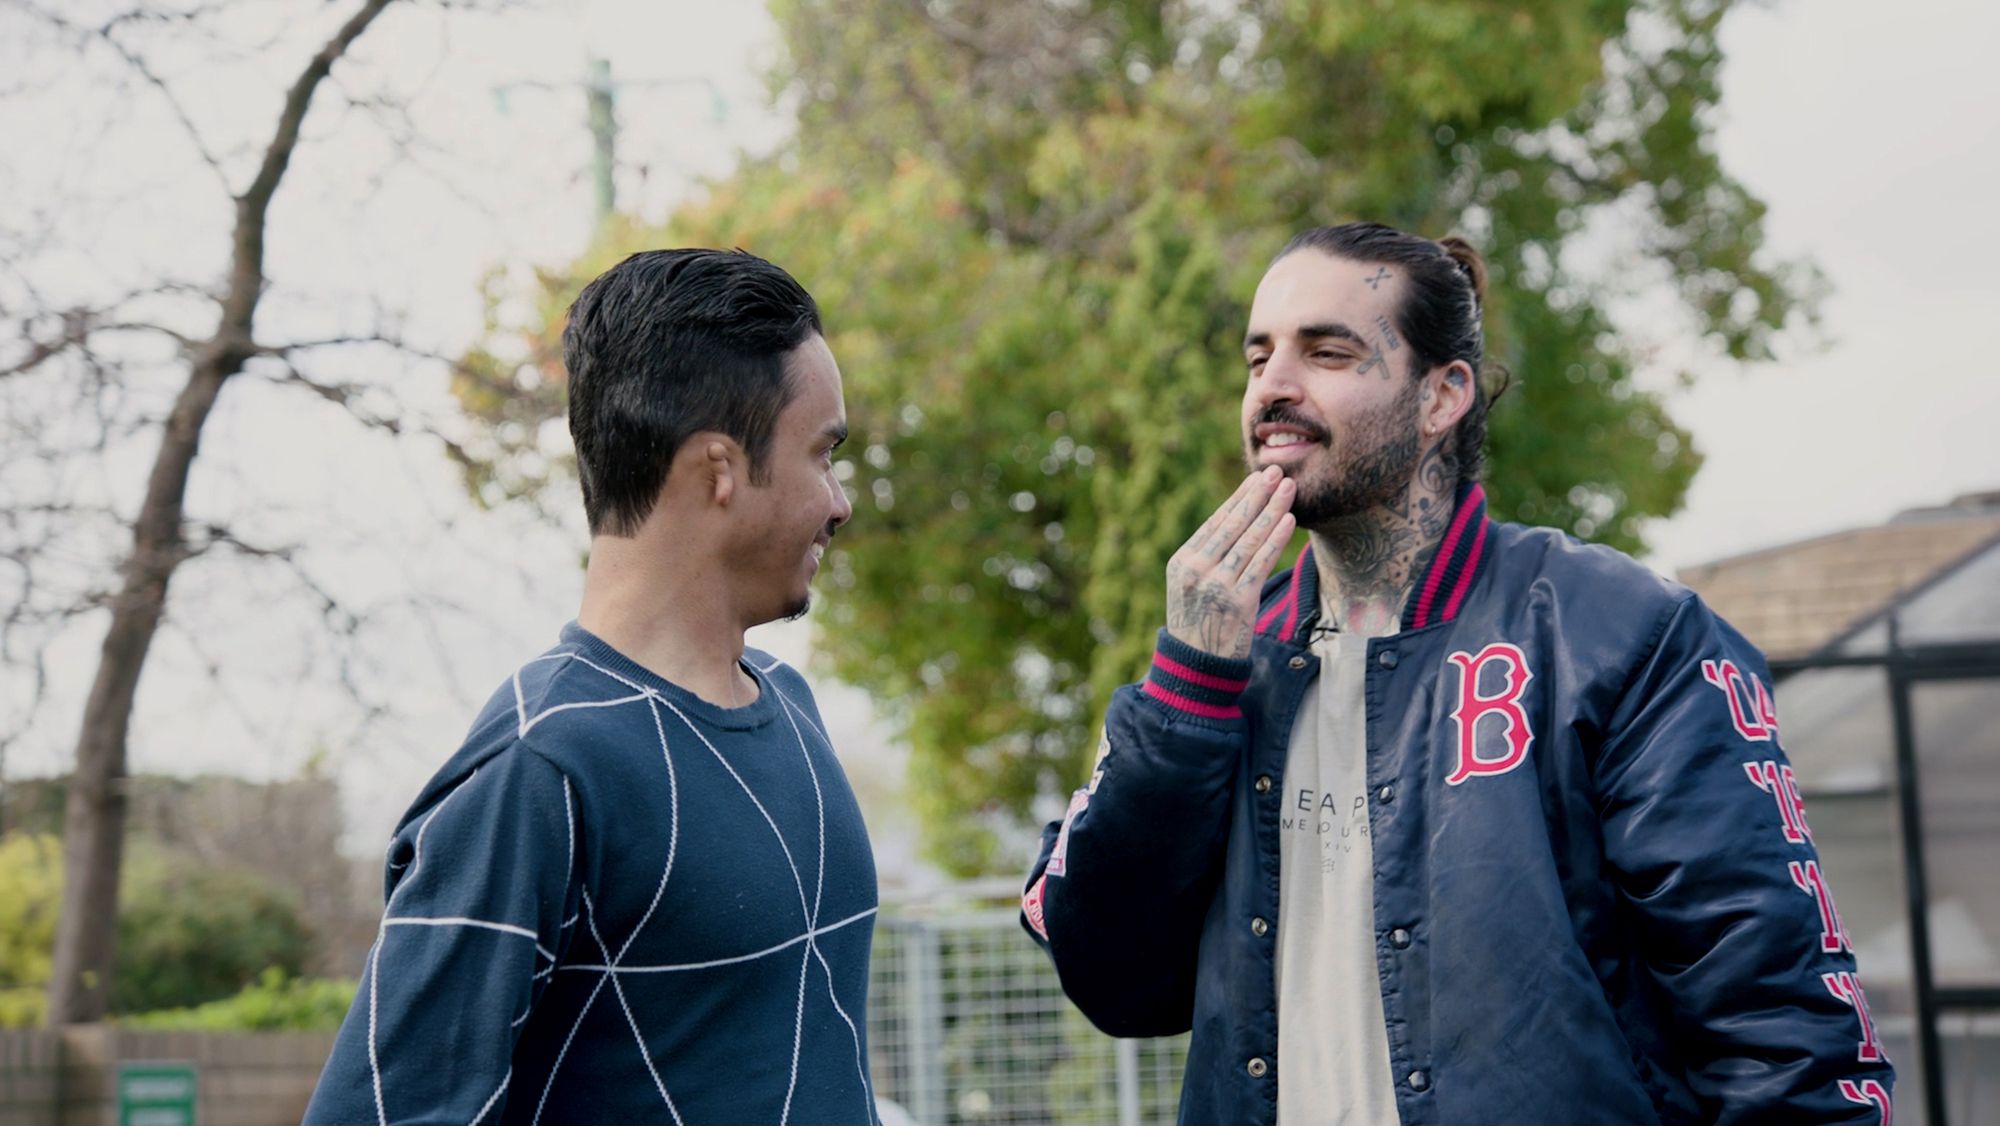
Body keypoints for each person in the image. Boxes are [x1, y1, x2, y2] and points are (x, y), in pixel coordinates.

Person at [1021, 222, 1895, 1124]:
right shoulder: (1217, 662)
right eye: (1258, 358)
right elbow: (1113, 981)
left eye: (1326, 352)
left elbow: (1781, 1027)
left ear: (1443, 396)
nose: (1273, 388)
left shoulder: (1622, 635)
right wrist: (1187, 692)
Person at [307, 249, 881, 1124]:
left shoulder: (789, 708)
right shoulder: (540, 768)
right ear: (717, 470)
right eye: (822, 455)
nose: (839, 503)